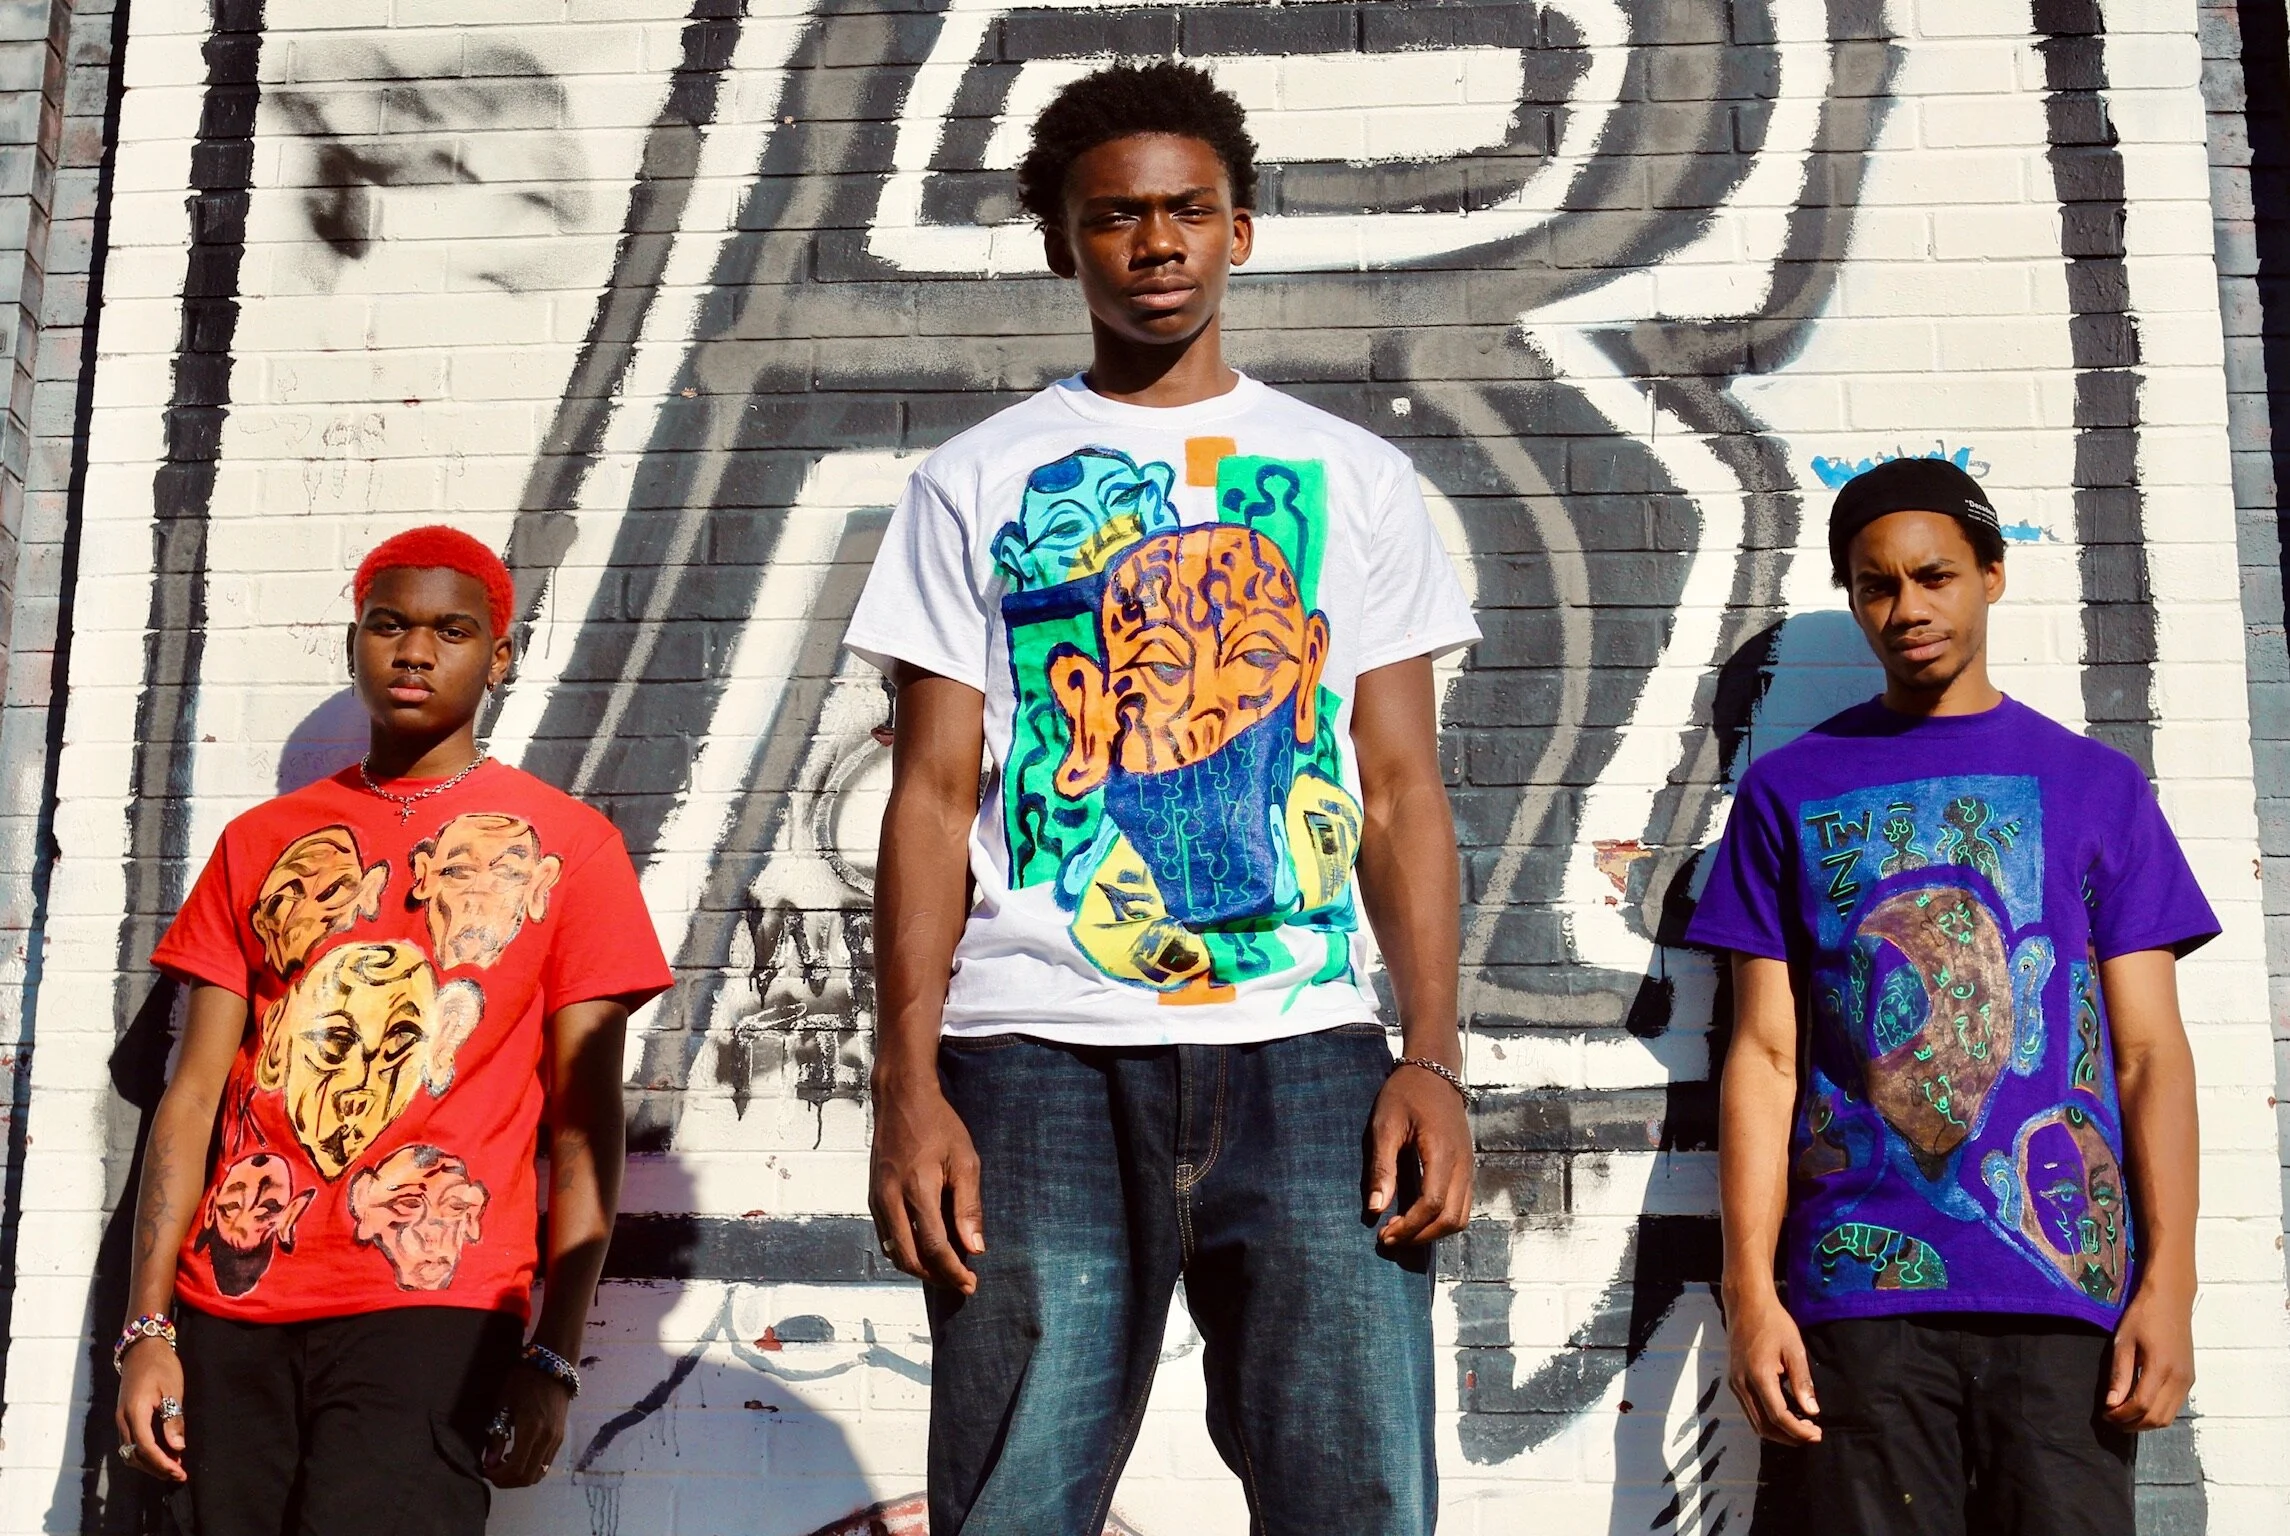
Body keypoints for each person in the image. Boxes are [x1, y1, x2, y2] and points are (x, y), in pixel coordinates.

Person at [843, 60, 1481, 1535]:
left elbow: (1397, 790)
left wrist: (1433, 1057)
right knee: (1013, 1505)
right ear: (1065, 242)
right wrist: (907, 1083)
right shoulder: (974, 479)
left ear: (1239, 230)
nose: (1155, 244)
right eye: (1116, 217)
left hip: (1309, 1058)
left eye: (1186, 210)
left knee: (1360, 1498)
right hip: (1032, 1063)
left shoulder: (1350, 476)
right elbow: (933, 800)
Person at [1688, 458, 2217, 1535]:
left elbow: (2147, 1055)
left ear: (1991, 574)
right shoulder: (1787, 792)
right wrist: (1751, 1293)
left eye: (1934, 577)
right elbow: (1765, 1058)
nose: (1905, 609)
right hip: (1855, 1301)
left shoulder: (2095, 786)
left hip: (2062, 1306)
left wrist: (2171, 1283)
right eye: (1875, 585)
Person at [113, 525, 673, 1535]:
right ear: (357, 640)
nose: (414, 651)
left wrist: (553, 1353)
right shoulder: (263, 844)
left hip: (432, 1308)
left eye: (451, 631)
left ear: (499, 655)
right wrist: (148, 1325)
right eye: (389, 625)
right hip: (233, 1302)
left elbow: (586, 1125)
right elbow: (192, 1095)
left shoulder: (572, 851)